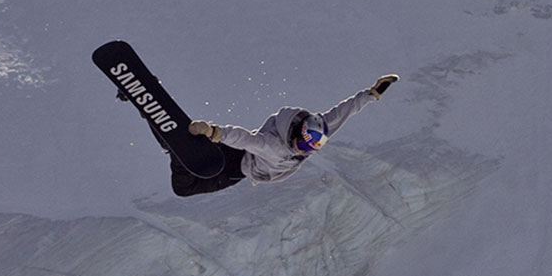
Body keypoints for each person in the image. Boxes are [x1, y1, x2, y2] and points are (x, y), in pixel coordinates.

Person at [170, 74, 399, 197]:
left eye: (311, 148)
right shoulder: (276, 147)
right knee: (184, 188)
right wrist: (214, 131)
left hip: (245, 154)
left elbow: (343, 112)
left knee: (201, 154)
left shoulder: (317, 130)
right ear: (295, 134)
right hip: (238, 166)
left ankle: (178, 142)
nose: (303, 150)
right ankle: (176, 150)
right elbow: (247, 139)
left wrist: (372, 94)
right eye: (302, 144)